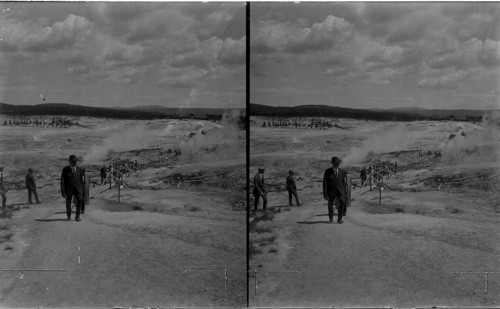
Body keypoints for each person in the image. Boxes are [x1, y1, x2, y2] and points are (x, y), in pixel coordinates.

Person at [323, 156, 348, 224]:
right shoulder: (327, 172)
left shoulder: (343, 172)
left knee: (342, 202)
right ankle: (331, 219)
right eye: (335, 163)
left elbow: (344, 183)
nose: (337, 165)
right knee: (330, 205)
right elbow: (325, 183)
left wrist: (345, 193)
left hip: (340, 191)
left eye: (338, 163)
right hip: (331, 191)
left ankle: (339, 219)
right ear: (332, 164)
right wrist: (325, 194)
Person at [60, 155, 85, 222]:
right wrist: (63, 191)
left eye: (75, 161)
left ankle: (77, 217)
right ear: (70, 162)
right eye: (73, 162)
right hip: (68, 189)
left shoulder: (80, 170)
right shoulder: (65, 169)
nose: (74, 163)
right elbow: (62, 181)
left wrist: (82, 191)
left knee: (79, 201)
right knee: (68, 203)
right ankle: (69, 216)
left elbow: (81, 181)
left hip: (78, 189)